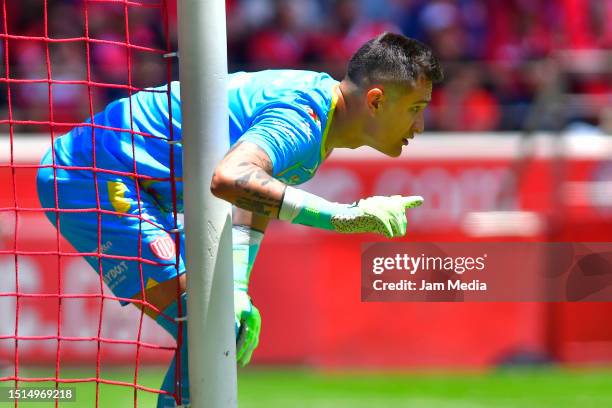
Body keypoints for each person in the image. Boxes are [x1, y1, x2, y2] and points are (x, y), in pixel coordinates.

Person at [36, 32, 443, 407]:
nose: (420, 126)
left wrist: (237, 286)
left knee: (217, 327)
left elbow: (253, 201)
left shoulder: (318, 113)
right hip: (91, 174)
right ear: (375, 100)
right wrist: (345, 216)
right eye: (415, 109)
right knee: (210, 332)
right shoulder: (303, 118)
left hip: (128, 181)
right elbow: (231, 179)